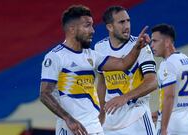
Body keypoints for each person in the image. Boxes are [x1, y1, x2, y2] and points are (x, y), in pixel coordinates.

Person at [39, 5, 149, 135]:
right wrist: (68, 119)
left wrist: (137, 47)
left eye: (92, 25)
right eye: (87, 26)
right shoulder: (56, 57)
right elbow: (45, 94)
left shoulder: (91, 55)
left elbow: (123, 64)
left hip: (95, 128)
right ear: (72, 29)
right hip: (71, 129)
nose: (92, 30)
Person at [94, 6, 157, 135]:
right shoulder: (100, 48)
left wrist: (125, 98)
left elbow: (152, 82)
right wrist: (101, 110)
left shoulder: (141, 47)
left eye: (128, 21)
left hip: (137, 115)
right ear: (109, 27)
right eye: (121, 22)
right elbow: (101, 81)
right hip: (111, 119)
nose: (127, 26)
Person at [150, 24, 188, 135]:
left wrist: (163, 128)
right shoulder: (186, 59)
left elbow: (169, 96)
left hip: (173, 126)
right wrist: (159, 113)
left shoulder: (167, 64)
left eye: (155, 41)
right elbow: (180, 99)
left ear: (167, 42)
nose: (152, 45)